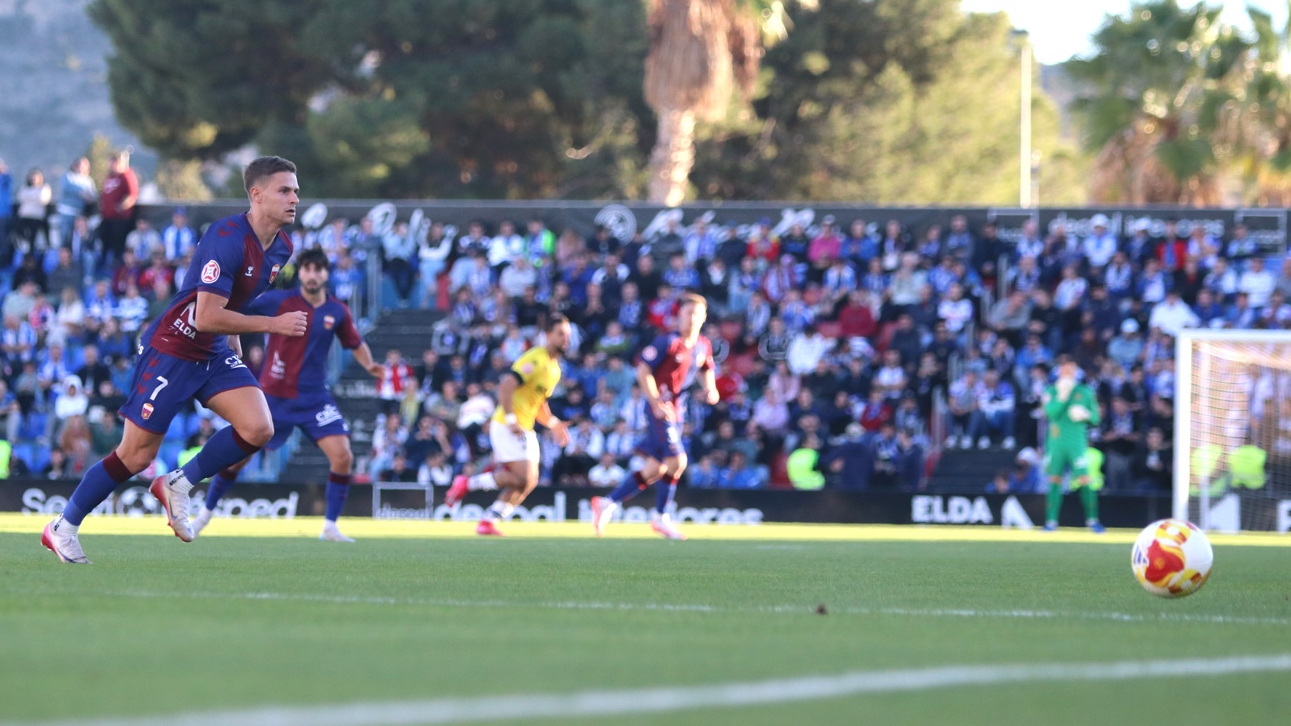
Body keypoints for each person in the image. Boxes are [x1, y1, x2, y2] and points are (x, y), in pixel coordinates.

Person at [41, 156, 308, 564]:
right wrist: (273, 324)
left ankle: (178, 483)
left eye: (296, 191)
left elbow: (234, 299)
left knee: (258, 428)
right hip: (173, 347)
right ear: (256, 195)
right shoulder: (227, 236)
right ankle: (62, 527)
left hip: (213, 350)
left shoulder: (282, 247)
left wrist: (233, 338)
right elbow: (203, 315)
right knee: (136, 456)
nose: (294, 198)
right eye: (284, 190)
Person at [191, 247, 383, 541]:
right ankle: (203, 515)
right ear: (301, 273)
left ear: (326, 274)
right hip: (273, 397)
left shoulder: (337, 311)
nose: (312, 274)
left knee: (343, 456)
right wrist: (233, 334)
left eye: (318, 269)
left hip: (315, 398)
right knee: (236, 460)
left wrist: (370, 365)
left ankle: (330, 526)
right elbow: (238, 307)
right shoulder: (281, 301)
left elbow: (354, 342)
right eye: (307, 268)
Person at [590, 293, 719, 540]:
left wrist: (710, 388)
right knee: (678, 462)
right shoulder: (668, 342)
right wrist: (656, 402)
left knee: (655, 468)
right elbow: (643, 370)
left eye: (697, 314)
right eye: (687, 313)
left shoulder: (703, 345)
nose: (692, 318)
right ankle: (661, 517)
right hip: (660, 409)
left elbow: (706, 369)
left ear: (703, 318)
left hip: (677, 411)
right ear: (679, 315)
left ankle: (607, 503)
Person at [444, 315, 573, 536]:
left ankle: (488, 520)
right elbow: (505, 386)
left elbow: (538, 403)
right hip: (507, 423)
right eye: (560, 334)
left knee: (529, 481)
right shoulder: (536, 358)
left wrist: (553, 423)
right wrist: (513, 421)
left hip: (525, 426)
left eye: (568, 335)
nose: (565, 339)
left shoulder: (555, 369)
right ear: (548, 334)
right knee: (523, 477)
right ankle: (467, 483)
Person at [1041, 359, 1104, 533]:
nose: (1067, 374)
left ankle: (1093, 520)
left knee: (1085, 480)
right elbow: (1050, 413)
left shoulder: (1085, 392)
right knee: (1054, 481)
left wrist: (1085, 414)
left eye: (1071, 371)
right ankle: (1051, 522)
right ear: (1059, 372)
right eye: (1064, 371)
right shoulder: (1051, 391)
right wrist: (1062, 397)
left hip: (1077, 444)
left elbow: (1096, 419)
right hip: (1056, 444)